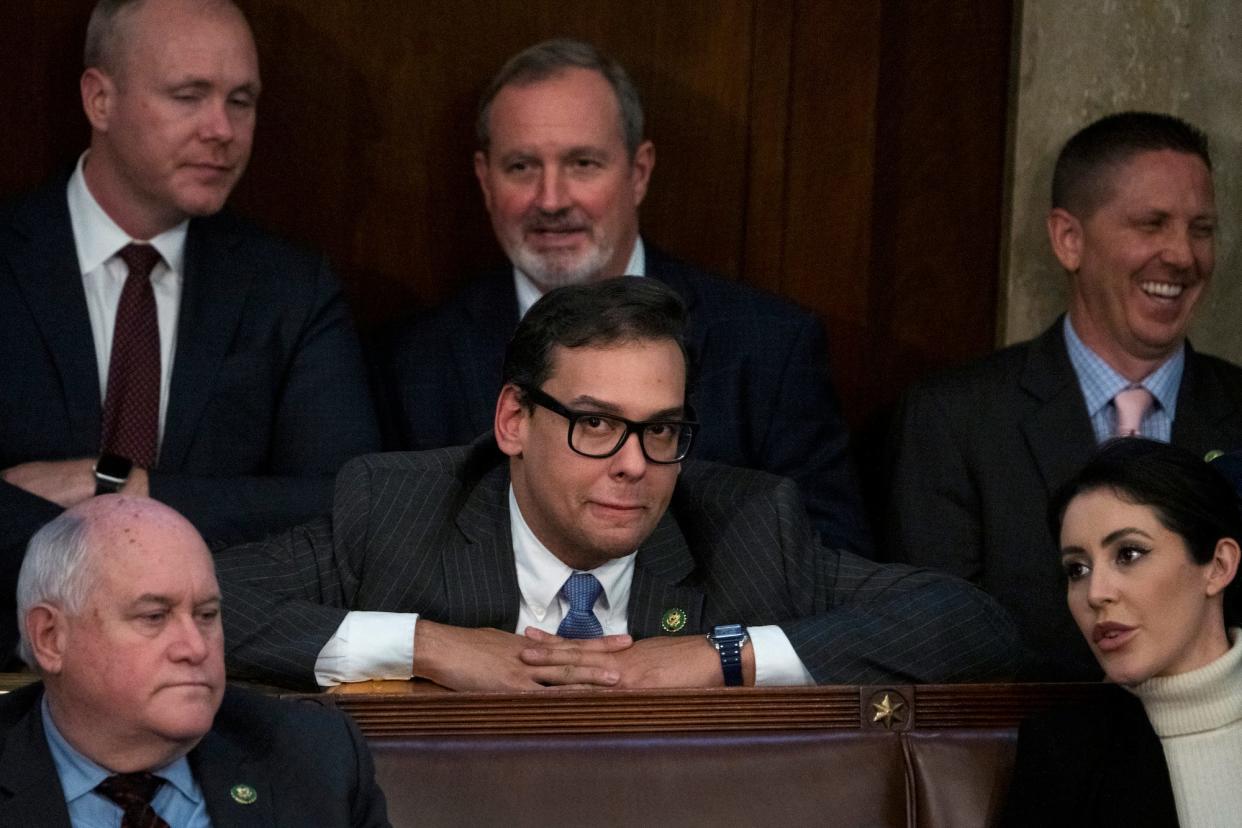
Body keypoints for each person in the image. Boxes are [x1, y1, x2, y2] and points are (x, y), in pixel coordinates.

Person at [219, 277, 1020, 692]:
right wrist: (427, 647)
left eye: (662, 429)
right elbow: (194, 607)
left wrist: (723, 656)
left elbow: (971, 624)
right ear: (512, 423)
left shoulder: (746, 529)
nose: (634, 462)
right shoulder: (397, 512)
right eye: (595, 424)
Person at [384, 38, 870, 554]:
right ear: (485, 180)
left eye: (583, 164)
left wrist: (701, 639)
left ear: (638, 172)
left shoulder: (770, 348)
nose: (551, 200)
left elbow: (831, 567)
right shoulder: (414, 359)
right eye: (522, 167)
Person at [0, 0, 380, 659]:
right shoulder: (10, 260)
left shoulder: (289, 289)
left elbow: (349, 506)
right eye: (188, 96)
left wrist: (122, 486)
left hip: (223, 672)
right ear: (100, 99)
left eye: (241, 101)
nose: (222, 129)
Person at [884, 111, 1242, 678]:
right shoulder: (955, 419)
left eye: (1202, 229)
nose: (1183, 255)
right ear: (1069, 239)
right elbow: (938, 641)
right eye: (1152, 224)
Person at [0, 495, 389, 826]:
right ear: (50, 638)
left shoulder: (311, 760)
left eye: (206, 615)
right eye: (154, 617)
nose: (195, 647)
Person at [1002, 439, 1242, 826]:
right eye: (1077, 569)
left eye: (1129, 554)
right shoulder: (1064, 754)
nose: (1096, 594)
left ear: (1218, 565)